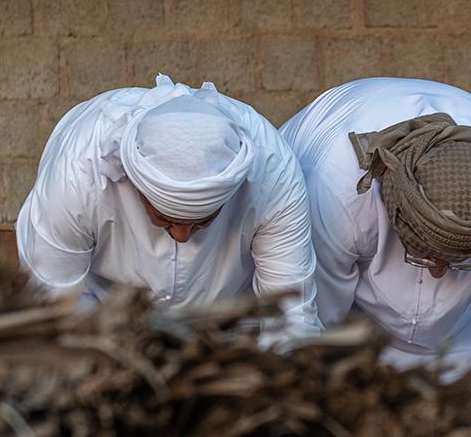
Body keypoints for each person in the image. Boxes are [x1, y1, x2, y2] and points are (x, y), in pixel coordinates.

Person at [279, 78, 471, 437]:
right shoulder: (337, 186)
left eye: (460, 262)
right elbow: (318, 330)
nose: (440, 274)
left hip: (454, 335)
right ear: (391, 208)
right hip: (345, 304)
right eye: (424, 257)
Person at [16, 75, 319, 335]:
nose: (184, 236)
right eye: (164, 218)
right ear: (135, 186)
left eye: (203, 221)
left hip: (221, 323)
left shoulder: (274, 174)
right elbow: (55, 304)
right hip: (100, 314)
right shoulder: (78, 175)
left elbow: (290, 314)